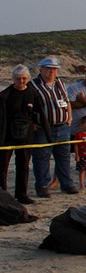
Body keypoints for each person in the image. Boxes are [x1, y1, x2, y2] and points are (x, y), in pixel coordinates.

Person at [30, 57, 79, 195]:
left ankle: (66, 184)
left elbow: (67, 101)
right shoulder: (33, 85)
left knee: (63, 157)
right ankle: (42, 185)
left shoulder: (60, 84)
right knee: (42, 157)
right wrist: (32, 123)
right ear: (41, 70)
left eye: (54, 69)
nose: (51, 72)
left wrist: (69, 117)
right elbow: (27, 106)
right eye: (48, 69)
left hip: (62, 127)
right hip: (43, 128)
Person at [1, 66, 40, 203]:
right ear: (13, 79)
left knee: (23, 165)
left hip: (26, 134)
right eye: (18, 79)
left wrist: (36, 124)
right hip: (7, 135)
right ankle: (3, 195)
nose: (21, 81)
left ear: (28, 79)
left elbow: (38, 111)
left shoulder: (32, 93)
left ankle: (21, 194)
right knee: (3, 166)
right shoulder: (5, 95)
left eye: (24, 78)